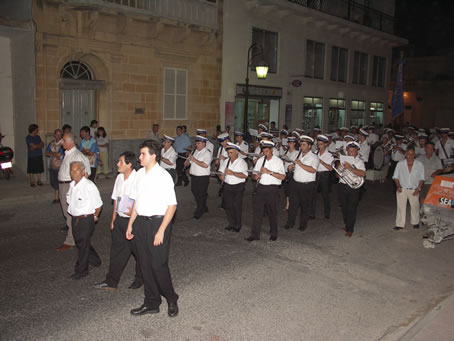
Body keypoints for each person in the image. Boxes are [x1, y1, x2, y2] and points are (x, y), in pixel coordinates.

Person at [126, 139, 179, 317]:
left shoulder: (163, 176)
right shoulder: (139, 174)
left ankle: (171, 298)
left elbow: (172, 206)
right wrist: (130, 224)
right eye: (140, 154)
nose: (139, 157)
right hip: (141, 222)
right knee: (145, 264)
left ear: (153, 156)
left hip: (158, 223)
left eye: (143, 154)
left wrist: (161, 230)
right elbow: (135, 202)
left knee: (158, 265)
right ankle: (151, 302)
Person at [94, 152, 143, 290]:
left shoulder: (137, 179)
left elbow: (141, 199)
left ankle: (140, 278)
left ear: (130, 164)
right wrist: (114, 219)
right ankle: (111, 281)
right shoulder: (119, 178)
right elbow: (116, 199)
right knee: (116, 251)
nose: (117, 164)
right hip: (120, 219)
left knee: (139, 252)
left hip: (133, 221)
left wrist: (133, 211)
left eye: (121, 162)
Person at [67, 161, 102, 280]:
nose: (73, 173)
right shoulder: (72, 185)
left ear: (83, 172)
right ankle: (95, 260)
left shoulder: (89, 186)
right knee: (81, 242)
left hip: (86, 219)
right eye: (71, 170)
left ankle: (81, 270)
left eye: (76, 170)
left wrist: (95, 217)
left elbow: (98, 205)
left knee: (82, 244)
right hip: (75, 218)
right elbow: (69, 199)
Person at [57, 133, 91, 251]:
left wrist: (76, 189)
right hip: (64, 185)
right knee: (68, 213)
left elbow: (85, 173)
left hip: (69, 186)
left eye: (64, 140)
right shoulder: (68, 154)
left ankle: (71, 240)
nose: (61, 142)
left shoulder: (77, 155)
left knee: (70, 214)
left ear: (71, 142)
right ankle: (74, 236)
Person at [246, 140, 285, 242]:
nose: (265, 153)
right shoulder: (260, 160)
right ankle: (255, 235)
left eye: (267, 151)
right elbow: (254, 175)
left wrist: (269, 172)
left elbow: (282, 177)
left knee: (272, 212)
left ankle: (274, 233)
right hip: (261, 188)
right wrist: (256, 176)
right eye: (264, 151)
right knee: (257, 212)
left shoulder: (278, 161)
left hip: (272, 189)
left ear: (271, 150)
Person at [283, 135, 319, 231]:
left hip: (307, 185)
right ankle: (290, 223)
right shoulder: (298, 154)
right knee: (293, 205)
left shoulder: (314, 157)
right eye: (301, 144)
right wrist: (291, 167)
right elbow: (296, 166)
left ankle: (302, 225)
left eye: (304, 145)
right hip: (295, 183)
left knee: (305, 206)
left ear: (309, 146)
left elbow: (312, 170)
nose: (301, 147)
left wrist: (300, 164)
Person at [337, 141, 366, 237]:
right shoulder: (343, 161)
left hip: (354, 187)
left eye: (353, 151)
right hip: (342, 185)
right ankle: (347, 224)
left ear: (357, 151)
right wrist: (338, 168)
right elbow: (337, 176)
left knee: (352, 208)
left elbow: (363, 173)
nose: (350, 153)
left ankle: (350, 229)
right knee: (344, 208)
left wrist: (350, 168)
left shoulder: (359, 161)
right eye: (349, 151)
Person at [392, 146, 425, 230]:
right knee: (401, 206)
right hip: (402, 188)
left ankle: (415, 222)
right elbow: (395, 176)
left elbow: (421, 178)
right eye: (409, 154)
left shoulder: (419, 164)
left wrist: (418, 188)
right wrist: (398, 186)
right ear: (405, 154)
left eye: (412, 154)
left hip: (414, 189)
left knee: (415, 206)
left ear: (414, 155)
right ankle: (399, 224)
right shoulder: (400, 164)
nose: (410, 156)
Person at [218, 142, 248, 232]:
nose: (229, 154)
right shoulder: (226, 161)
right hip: (227, 185)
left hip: (238, 187)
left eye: (231, 153)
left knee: (236, 205)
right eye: (228, 153)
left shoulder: (242, 162)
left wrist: (233, 173)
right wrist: (221, 176)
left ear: (237, 152)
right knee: (228, 205)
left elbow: (245, 175)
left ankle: (238, 224)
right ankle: (231, 223)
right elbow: (220, 171)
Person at [185, 135, 212, 219]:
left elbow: (205, 165)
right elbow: (191, 161)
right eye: (196, 143)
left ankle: (199, 211)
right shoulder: (195, 151)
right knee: (195, 191)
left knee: (200, 194)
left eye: (199, 143)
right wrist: (188, 162)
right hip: (195, 176)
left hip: (202, 177)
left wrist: (194, 160)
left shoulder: (207, 153)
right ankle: (203, 206)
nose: (197, 145)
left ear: (204, 144)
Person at [311, 134, 334, 219]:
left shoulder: (329, 155)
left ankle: (327, 213)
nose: (319, 146)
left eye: (321, 144)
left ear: (325, 144)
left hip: (325, 175)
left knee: (325, 195)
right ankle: (312, 213)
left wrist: (321, 162)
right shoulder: (316, 153)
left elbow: (331, 168)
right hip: (316, 174)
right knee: (313, 194)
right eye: (318, 144)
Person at [417, 142, 443, 207]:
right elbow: (415, 168)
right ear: (425, 149)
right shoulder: (420, 158)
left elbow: (440, 169)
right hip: (422, 181)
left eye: (432, 148)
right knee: (422, 196)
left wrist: (435, 173)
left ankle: (429, 212)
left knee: (431, 197)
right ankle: (422, 210)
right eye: (428, 148)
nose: (430, 149)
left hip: (432, 181)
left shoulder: (437, 158)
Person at [45, 129, 64, 203]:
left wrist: (51, 153)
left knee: (58, 181)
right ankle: (58, 196)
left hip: (60, 165)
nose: (58, 136)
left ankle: (57, 197)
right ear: (54, 135)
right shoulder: (51, 143)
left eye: (60, 134)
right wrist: (54, 153)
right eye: (57, 134)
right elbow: (46, 153)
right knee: (53, 182)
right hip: (52, 165)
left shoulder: (62, 144)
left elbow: (59, 155)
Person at [280, 136, 299, 211]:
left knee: (292, 190)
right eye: (288, 143)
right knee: (286, 189)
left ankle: (293, 204)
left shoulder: (297, 152)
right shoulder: (287, 151)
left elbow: (295, 162)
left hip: (292, 173)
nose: (289, 144)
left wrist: (288, 159)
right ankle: (287, 204)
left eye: (291, 143)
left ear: (294, 143)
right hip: (285, 172)